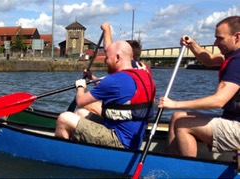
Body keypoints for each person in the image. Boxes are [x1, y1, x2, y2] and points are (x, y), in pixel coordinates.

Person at [158, 15, 240, 157]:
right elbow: (210, 60)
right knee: (177, 117)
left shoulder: (237, 62)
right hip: (232, 120)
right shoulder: (233, 56)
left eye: (220, 38)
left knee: (183, 124)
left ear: (237, 37)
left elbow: (218, 100)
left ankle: (187, 171)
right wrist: (192, 45)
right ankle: (170, 165)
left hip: (237, 127)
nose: (215, 43)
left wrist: (174, 103)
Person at [55, 40, 156, 150]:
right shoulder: (144, 75)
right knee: (81, 112)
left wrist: (80, 87)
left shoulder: (114, 80)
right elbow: (110, 88)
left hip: (119, 141)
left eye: (107, 57)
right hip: (134, 140)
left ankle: (62, 153)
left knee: (63, 118)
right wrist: (92, 77)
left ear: (117, 58)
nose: (105, 61)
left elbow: (80, 101)